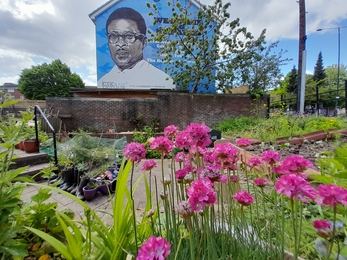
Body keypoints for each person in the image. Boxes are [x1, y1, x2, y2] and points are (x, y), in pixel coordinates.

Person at [98, 7, 175, 89]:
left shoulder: (162, 81)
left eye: (129, 36)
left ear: (144, 42)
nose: (120, 44)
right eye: (113, 36)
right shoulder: (103, 82)